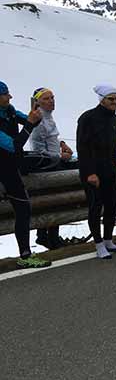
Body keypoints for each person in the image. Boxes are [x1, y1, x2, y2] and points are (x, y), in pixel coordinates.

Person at [0, 80, 50, 268]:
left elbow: (32, 122)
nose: (10, 97)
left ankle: (25, 254)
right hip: (5, 169)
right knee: (23, 209)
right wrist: (30, 122)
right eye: (6, 94)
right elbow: (14, 145)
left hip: (11, 169)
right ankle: (25, 255)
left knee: (23, 209)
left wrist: (35, 114)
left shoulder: (10, 110)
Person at [76, 85, 116, 260]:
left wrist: (115, 168)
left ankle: (108, 240)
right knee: (95, 207)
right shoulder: (88, 117)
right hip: (92, 173)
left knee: (111, 206)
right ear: (101, 99)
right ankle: (98, 244)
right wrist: (90, 172)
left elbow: (114, 147)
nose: (115, 102)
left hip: (110, 170)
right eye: (111, 99)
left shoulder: (115, 119)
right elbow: (82, 147)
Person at [28, 87, 75, 249]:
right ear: (38, 102)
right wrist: (60, 157)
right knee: (54, 202)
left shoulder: (48, 117)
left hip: (53, 163)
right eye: (47, 99)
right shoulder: (39, 120)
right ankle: (50, 238)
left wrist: (61, 144)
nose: (51, 101)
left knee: (52, 202)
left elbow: (51, 138)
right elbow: (37, 149)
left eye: (52, 97)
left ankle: (47, 236)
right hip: (46, 167)